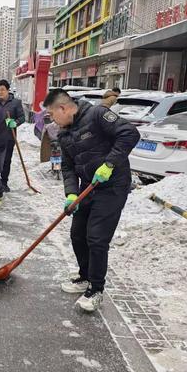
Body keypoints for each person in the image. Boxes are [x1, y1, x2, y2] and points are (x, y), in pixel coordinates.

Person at [44, 89, 139, 312]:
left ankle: (96, 289)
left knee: (96, 237)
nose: (51, 119)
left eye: (51, 114)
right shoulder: (64, 134)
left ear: (63, 108)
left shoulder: (97, 114)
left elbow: (130, 133)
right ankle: (85, 276)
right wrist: (71, 194)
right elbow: (67, 167)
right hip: (89, 185)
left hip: (112, 185)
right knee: (78, 233)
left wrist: (109, 164)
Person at [0, 79, 25, 192]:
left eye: (2, 90)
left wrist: (15, 123)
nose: (0, 92)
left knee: (6, 160)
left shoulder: (15, 102)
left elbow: (22, 117)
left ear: (8, 90)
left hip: (9, 137)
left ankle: (4, 182)